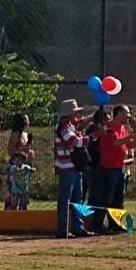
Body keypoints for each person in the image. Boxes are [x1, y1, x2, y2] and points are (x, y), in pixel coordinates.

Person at [98, 104, 136, 228]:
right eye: (127, 113)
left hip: (120, 167)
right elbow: (116, 142)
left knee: (119, 198)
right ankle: (98, 224)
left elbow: (129, 145)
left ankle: (115, 223)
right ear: (119, 114)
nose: (129, 116)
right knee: (107, 197)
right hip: (109, 168)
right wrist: (131, 135)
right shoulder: (110, 127)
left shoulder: (123, 128)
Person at [53, 99, 91, 239]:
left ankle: (78, 227)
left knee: (77, 198)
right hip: (67, 167)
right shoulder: (63, 128)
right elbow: (75, 142)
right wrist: (92, 137)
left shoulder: (69, 126)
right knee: (66, 199)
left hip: (74, 166)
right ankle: (63, 229)